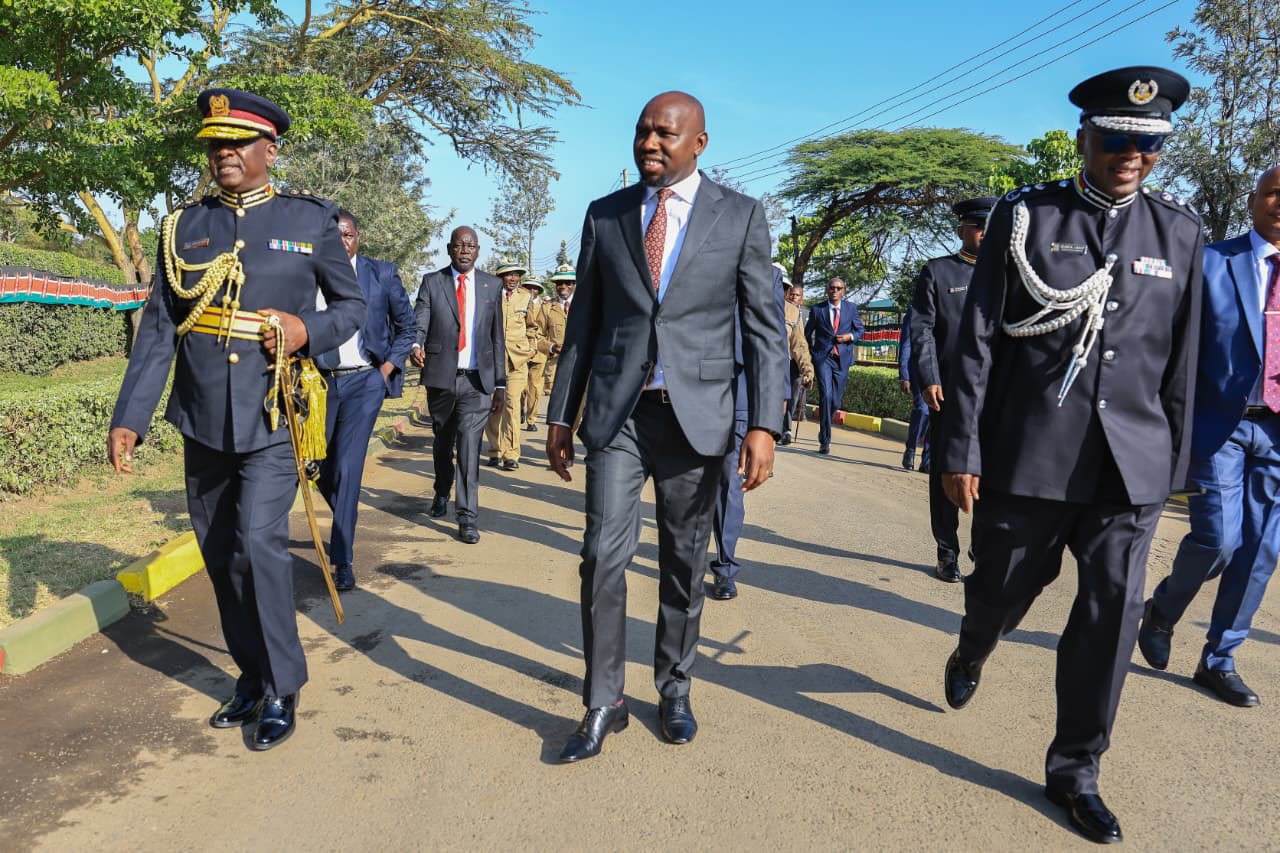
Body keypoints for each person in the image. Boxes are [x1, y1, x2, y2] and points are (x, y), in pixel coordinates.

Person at [938, 67, 1199, 844]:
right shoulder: (1026, 217)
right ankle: (974, 643)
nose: (1132, 156)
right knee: (1003, 587)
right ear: (1085, 135)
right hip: (1034, 453)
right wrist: (961, 445)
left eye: (1148, 146)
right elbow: (978, 339)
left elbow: (1181, 359)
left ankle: (1075, 768)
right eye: (1117, 139)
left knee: (1112, 610)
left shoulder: (1178, 233)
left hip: (1131, 466)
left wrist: (1173, 467)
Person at [108, 88, 366, 750]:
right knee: (220, 553)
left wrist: (305, 327)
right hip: (201, 417)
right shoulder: (183, 228)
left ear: (268, 150)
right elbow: (160, 329)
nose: (222, 153)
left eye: (236, 142)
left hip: (271, 413)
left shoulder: (310, 221)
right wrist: (129, 416)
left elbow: (352, 307)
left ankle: (284, 682)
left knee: (259, 543)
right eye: (214, 144)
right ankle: (250, 675)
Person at [545, 91, 786, 762]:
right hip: (618, 417)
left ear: (699, 143)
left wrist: (764, 424)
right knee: (600, 555)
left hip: (697, 418)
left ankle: (674, 685)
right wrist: (562, 413)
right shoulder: (607, 215)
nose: (650, 143)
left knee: (684, 562)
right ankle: (603, 700)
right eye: (642, 131)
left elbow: (766, 333)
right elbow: (582, 327)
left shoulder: (739, 218)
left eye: (666, 134)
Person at [1138, 166, 1280, 708]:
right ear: (1253, 200)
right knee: (1219, 540)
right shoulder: (1211, 263)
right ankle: (1164, 610)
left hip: (1278, 432)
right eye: (1272, 193)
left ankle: (1219, 658)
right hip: (1220, 425)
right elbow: (1170, 341)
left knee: (1261, 550)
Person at [316, 210, 417, 592]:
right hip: (321, 384)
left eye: (347, 235)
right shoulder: (313, 274)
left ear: (358, 236)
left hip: (365, 382)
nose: (341, 242)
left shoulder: (382, 274)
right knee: (318, 466)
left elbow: (408, 326)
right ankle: (345, 512)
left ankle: (342, 559)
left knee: (348, 465)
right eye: (334, 236)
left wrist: (387, 369)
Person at [909, 196, 996, 582]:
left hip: (998, 395)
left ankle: (983, 545)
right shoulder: (938, 273)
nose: (985, 233)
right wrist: (929, 377)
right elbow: (921, 330)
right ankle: (947, 551)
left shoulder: (1010, 275)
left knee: (994, 476)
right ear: (961, 230)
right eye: (978, 226)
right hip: (950, 393)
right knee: (945, 472)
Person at [409, 226, 505, 544]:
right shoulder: (432, 282)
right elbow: (420, 320)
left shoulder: (492, 285)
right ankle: (441, 490)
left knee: (468, 447)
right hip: (441, 379)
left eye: (470, 245)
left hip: (477, 382)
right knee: (443, 443)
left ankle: (467, 517)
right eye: (459, 245)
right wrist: (415, 344)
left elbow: (497, 337)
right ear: (449, 249)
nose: (464, 249)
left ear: (478, 251)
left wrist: (500, 383)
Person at [708, 264, 790, 601]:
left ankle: (725, 567)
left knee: (730, 486)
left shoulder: (766, 275)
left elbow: (774, 340)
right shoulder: (690, 252)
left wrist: (775, 407)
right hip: (687, 391)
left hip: (739, 391)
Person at [485, 260, 541, 471]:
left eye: (516, 275)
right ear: (499, 277)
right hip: (492, 361)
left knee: (512, 405)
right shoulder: (488, 296)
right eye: (508, 275)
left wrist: (531, 350)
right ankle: (494, 450)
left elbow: (533, 327)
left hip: (517, 361)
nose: (513, 278)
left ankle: (511, 454)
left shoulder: (526, 298)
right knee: (494, 406)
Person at [804, 277, 863, 454]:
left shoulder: (850, 308)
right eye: (832, 288)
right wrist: (812, 355)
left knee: (835, 401)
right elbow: (807, 334)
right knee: (826, 394)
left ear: (843, 290)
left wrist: (849, 337)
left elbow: (860, 330)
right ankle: (825, 441)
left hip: (842, 359)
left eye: (838, 288)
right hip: (823, 359)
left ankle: (824, 428)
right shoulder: (817, 309)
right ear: (827, 290)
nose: (835, 290)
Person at [897, 305, 930, 472]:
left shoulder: (952, 305)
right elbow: (906, 343)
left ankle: (928, 459)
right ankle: (911, 449)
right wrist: (904, 374)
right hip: (919, 369)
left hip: (943, 369)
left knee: (936, 414)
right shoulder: (915, 310)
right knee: (923, 410)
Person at [538, 264, 575, 405]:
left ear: (574, 284)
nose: (563, 286)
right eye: (559, 283)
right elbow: (537, 336)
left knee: (577, 411)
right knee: (557, 410)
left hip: (579, 366)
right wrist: (552, 347)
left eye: (568, 283)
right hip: (555, 368)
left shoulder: (584, 305)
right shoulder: (547, 308)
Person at [783, 284, 810, 440]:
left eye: (797, 295)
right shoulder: (781, 310)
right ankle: (785, 428)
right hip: (784, 359)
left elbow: (809, 338)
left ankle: (787, 424)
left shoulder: (807, 314)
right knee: (782, 394)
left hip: (797, 362)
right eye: (791, 294)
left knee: (793, 394)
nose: (793, 297)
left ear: (802, 298)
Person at [523, 279, 549, 431]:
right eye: (528, 287)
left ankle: (531, 419)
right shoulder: (518, 302)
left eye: (535, 288)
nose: (531, 290)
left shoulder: (546, 307)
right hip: (521, 351)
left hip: (539, 352)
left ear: (539, 290)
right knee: (519, 387)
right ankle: (519, 410)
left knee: (535, 388)